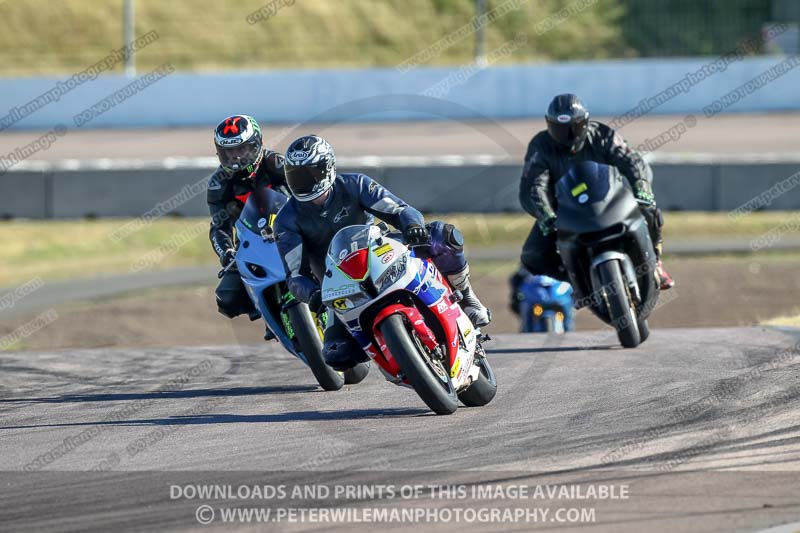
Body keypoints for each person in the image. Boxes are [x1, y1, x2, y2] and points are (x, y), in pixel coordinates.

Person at [274, 134, 491, 371]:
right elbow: (295, 275)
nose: (302, 183)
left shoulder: (355, 184)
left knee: (443, 236)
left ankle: (466, 295)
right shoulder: (286, 219)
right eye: (295, 177)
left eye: (309, 175)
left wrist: (412, 226)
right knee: (336, 355)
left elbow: (399, 209)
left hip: (380, 251)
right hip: (339, 281)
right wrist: (313, 295)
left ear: (327, 169)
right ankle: (395, 356)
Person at [512, 94, 674, 312]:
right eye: (560, 129)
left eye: (574, 127)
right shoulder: (541, 145)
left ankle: (656, 262)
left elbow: (630, 160)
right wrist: (545, 215)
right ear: (549, 125)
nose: (567, 135)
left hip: (612, 198)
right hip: (563, 211)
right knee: (532, 255)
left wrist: (641, 188)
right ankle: (577, 281)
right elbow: (533, 185)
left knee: (648, 209)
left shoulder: (603, 135)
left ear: (586, 123)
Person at [206, 114, 288, 320]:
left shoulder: (278, 164)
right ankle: (269, 314)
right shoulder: (219, 183)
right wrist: (226, 253)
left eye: (240, 149)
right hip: (252, 247)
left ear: (256, 144)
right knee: (228, 298)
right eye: (229, 151)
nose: (235, 157)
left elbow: (305, 195)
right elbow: (219, 226)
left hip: (291, 231)